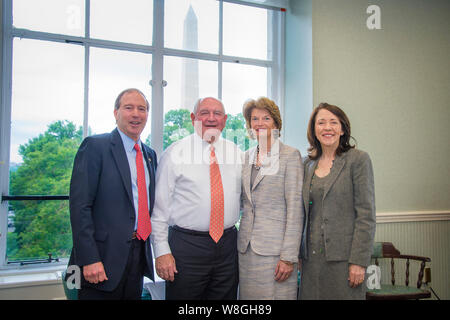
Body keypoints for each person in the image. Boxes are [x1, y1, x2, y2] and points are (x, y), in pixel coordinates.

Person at [68, 88, 157, 300]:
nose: (136, 114)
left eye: (142, 109)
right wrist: (89, 259)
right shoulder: (95, 146)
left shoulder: (150, 155)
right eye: (129, 108)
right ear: (116, 112)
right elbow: (80, 207)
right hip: (99, 260)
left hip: (137, 256)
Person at [151, 97, 242, 300]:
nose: (211, 118)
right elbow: (159, 210)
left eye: (217, 113)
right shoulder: (175, 153)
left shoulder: (236, 153)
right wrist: (161, 251)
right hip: (186, 247)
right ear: (193, 118)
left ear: (225, 119)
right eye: (204, 113)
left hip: (228, 246)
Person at [299, 102, 376, 300]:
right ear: (314, 130)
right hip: (310, 262)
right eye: (321, 123)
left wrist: (358, 262)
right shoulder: (307, 164)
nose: (327, 128)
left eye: (333, 122)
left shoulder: (358, 160)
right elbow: (302, 214)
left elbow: (366, 216)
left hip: (345, 262)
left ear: (342, 129)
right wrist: (299, 253)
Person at [238, 97, 303, 300]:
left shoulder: (290, 156)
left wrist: (289, 256)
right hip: (246, 250)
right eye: (254, 119)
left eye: (265, 118)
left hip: (276, 253)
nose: (259, 123)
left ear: (276, 123)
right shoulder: (246, 156)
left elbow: (295, 209)